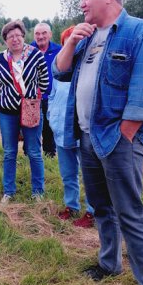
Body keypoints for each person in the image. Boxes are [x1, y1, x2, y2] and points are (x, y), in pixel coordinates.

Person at [54, 0, 143, 285]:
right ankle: (109, 264)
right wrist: (70, 42)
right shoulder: (88, 38)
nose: (82, 3)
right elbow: (60, 72)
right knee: (100, 207)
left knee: (130, 214)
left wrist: (126, 134)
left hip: (118, 140)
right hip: (87, 138)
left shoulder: (139, 32)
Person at [0, 20, 49, 205]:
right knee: (9, 152)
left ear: (23, 36)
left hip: (31, 110)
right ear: (5, 40)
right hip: (7, 113)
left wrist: (32, 98)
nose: (15, 39)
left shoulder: (36, 56)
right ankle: (9, 191)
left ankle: (38, 192)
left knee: (34, 151)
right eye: (10, 36)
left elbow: (45, 81)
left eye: (18, 35)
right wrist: (11, 98)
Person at [49, 25, 94, 228]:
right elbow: (53, 96)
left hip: (80, 131)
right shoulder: (61, 69)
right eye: (68, 42)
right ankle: (71, 206)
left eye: (75, 42)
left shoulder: (86, 72)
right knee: (68, 173)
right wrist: (51, 116)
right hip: (60, 131)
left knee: (89, 174)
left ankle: (92, 211)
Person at [31, 22, 61, 158]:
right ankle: (29, 155)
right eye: (37, 33)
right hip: (32, 98)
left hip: (52, 97)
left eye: (44, 33)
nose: (40, 36)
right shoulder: (28, 50)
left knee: (50, 128)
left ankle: (49, 155)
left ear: (50, 34)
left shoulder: (59, 50)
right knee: (31, 128)